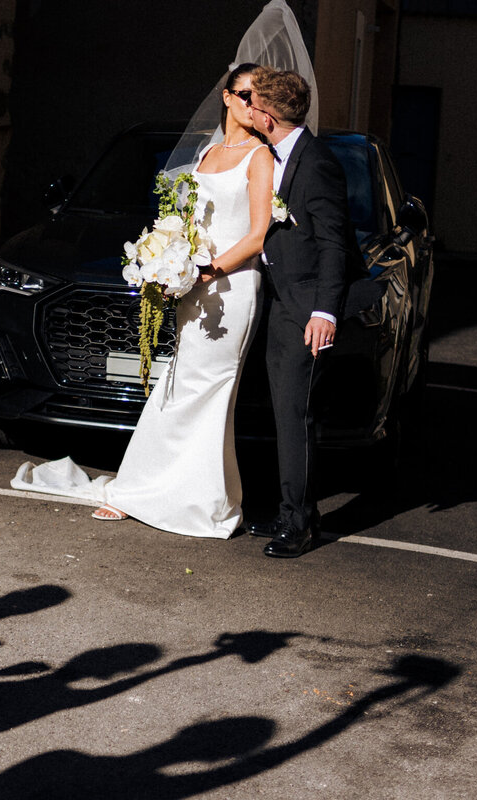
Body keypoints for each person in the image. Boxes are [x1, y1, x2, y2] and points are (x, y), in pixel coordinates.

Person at [85, 62, 274, 539]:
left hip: (232, 288)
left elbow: (257, 236)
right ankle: (143, 488)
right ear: (227, 97)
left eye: (262, 97)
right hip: (194, 286)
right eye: (247, 95)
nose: (255, 105)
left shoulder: (260, 158)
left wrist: (210, 270)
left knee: (212, 389)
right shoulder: (208, 151)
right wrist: (169, 259)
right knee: (179, 381)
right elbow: (189, 223)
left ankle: (200, 501)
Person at [244, 68, 352, 558]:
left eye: (253, 105)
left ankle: (299, 525)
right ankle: (293, 510)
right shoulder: (273, 154)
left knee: (295, 415)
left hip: (306, 306)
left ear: (267, 117)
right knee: (281, 412)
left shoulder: (318, 163)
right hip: (278, 299)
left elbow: (334, 243)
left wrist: (325, 312)